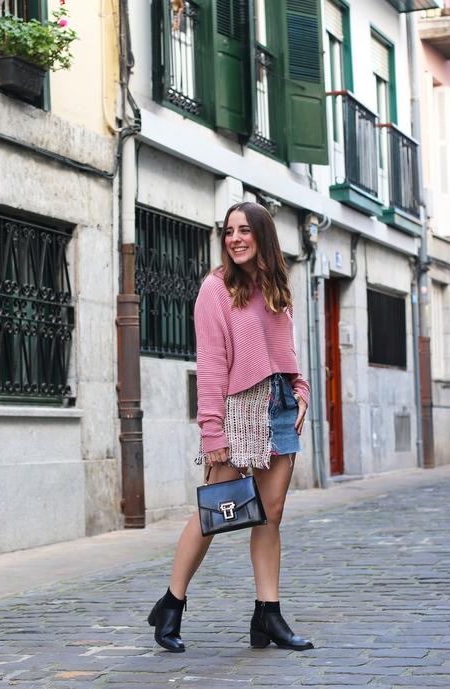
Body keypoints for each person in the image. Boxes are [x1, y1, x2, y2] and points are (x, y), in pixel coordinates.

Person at [148, 202, 314, 653]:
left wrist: (302, 390)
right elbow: (212, 364)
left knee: (271, 512)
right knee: (216, 512)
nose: (235, 238)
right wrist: (212, 432)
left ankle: (268, 615)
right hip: (240, 409)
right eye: (228, 231)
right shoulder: (216, 289)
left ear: (263, 235)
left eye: (244, 230)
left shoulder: (277, 287)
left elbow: (286, 349)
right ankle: (171, 603)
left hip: (280, 404)